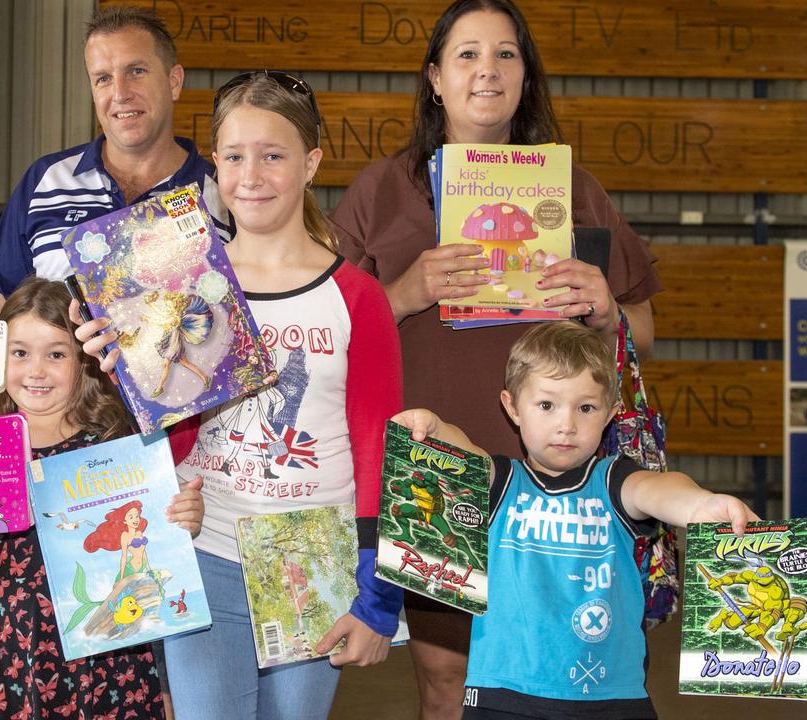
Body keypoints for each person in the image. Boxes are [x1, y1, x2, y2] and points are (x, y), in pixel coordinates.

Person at [329, 1, 663, 716]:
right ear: (435, 80)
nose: (488, 70)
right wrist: (403, 292)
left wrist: (606, 311)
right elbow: (327, 335)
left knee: (557, 677)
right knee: (449, 683)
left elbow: (644, 330)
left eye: (506, 54)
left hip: (558, 484)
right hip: (440, 469)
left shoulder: (575, 192)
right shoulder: (382, 192)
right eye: (468, 55)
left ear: (526, 75)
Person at [78, 71, 404, 720]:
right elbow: (171, 430)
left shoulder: (356, 298)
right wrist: (127, 370)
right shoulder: (183, 282)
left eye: (273, 154)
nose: (251, 174)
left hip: (314, 558)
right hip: (204, 550)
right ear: (214, 165)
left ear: (311, 163)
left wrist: (379, 599)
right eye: (233, 155)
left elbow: (380, 447)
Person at [392, 321, 757, 719]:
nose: (567, 425)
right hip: (504, 695)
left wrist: (700, 505)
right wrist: (432, 425)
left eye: (585, 408)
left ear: (610, 414)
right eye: (547, 405)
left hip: (611, 698)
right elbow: (461, 448)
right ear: (512, 406)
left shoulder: (614, 481)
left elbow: (658, 487)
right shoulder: (501, 482)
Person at [0, 277, 205, 720]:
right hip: (10, 657)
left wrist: (184, 518)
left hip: (110, 658)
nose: (36, 370)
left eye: (57, 354)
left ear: (83, 361)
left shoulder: (118, 446)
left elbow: (156, 553)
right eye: (20, 352)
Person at [0, 7, 230, 323]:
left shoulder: (224, 192)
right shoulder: (46, 180)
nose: (120, 93)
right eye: (103, 78)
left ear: (174, 81)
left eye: (136, 71)